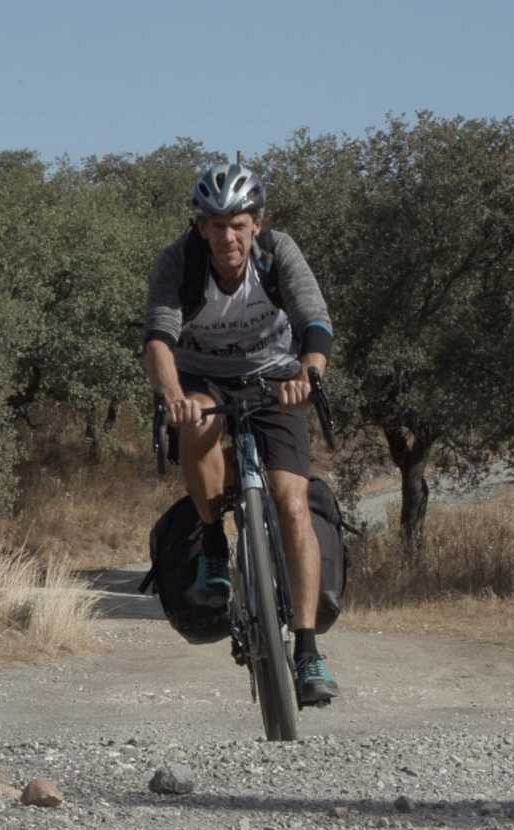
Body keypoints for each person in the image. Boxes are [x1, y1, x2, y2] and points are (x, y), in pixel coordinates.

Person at [140, 160, 339, 705]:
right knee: (197, 421)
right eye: (216, 225)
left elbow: (314, 320)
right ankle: (211, 539)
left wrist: (309, 373)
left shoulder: (278, 253)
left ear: (257, 224)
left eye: (238, 225)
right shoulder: (178, 262)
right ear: (200, 226)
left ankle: (307, 649)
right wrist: (172, 395)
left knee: (292, 502)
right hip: (202, 380)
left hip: (275, 380)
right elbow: (158, 339)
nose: (228, 236)